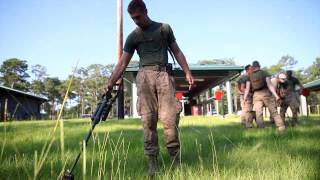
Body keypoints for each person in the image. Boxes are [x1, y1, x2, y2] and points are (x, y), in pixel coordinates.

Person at [104, 0, 194, 177]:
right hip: (144, 77)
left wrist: (187, 72)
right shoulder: (133, 36)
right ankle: (152, 161)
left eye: (138, 17)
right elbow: (123, 62)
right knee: (148, 121)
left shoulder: (164, 28)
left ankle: (176, 160)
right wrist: (111, 80)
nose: (136, 21)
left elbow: (177, 51)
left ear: (145, 11)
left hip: (164, 76)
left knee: (169, 119)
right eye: (132, 18)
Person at [243, 61, 285, 131]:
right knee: (273, 111)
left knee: (258, 112)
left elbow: (247, 89)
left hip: (256, 95)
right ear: (259, 66)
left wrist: (244, 99)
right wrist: (276, 95)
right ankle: (281, 126)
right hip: (266, 93)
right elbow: (269, 85)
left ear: (253, 67)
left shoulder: (249, 76)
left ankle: (261, 128)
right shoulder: (264, 73)